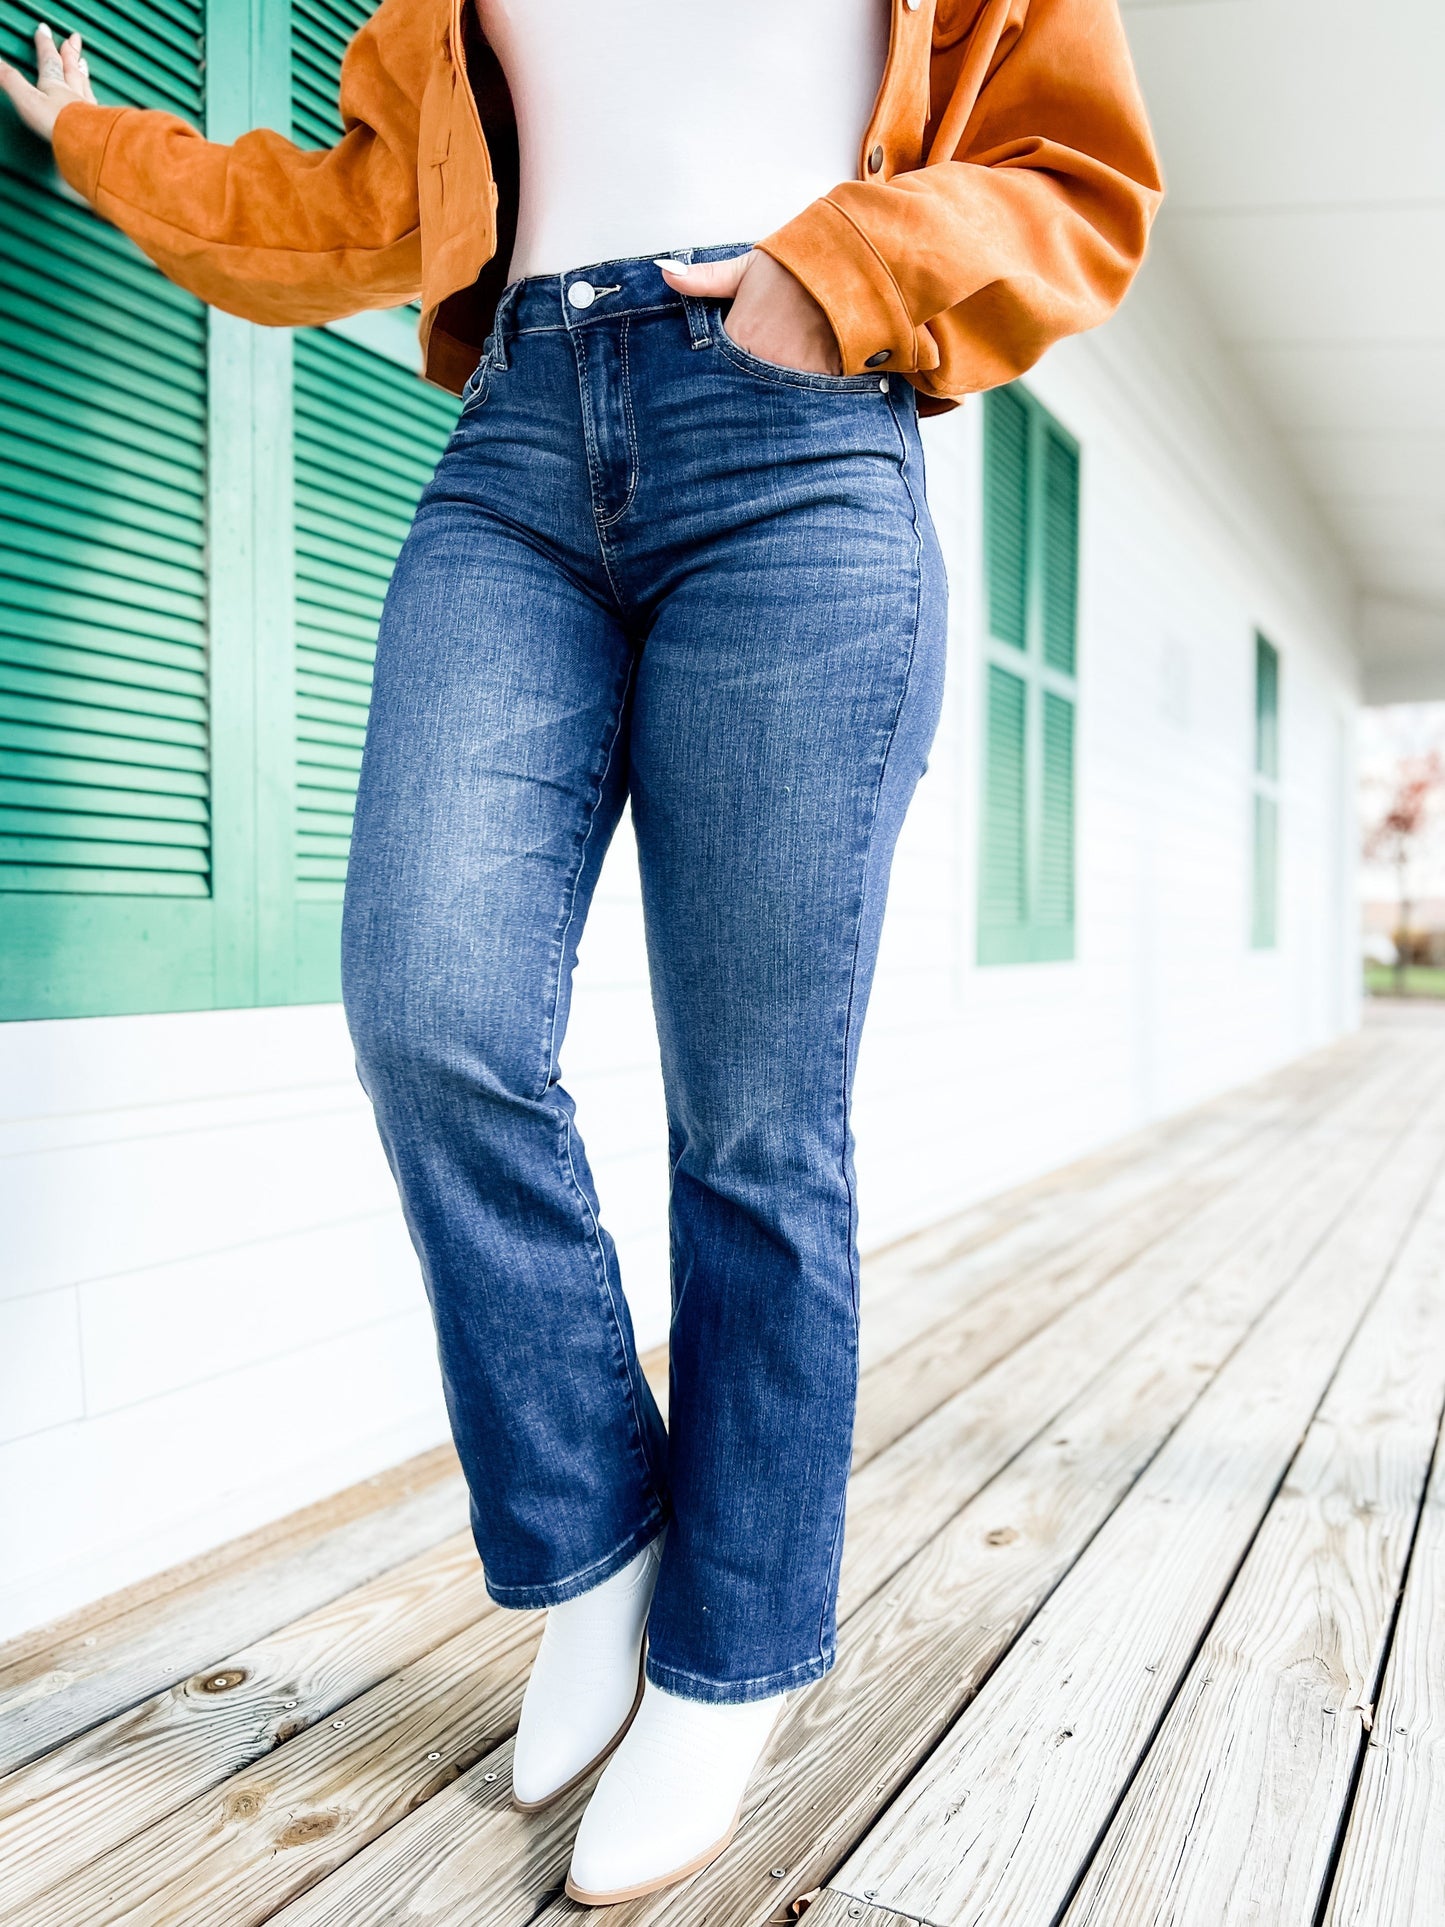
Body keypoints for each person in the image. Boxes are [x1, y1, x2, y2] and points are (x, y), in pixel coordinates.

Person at [1, 0, 1160, 1903]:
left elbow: (1075, 181)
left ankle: (730, 1654)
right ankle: (594, 1549)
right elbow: (364, 203)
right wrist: (100, 144)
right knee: (429, 1009)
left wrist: (831, 269)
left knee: (756, 1121)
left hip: (794, 448)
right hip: (515, 451)